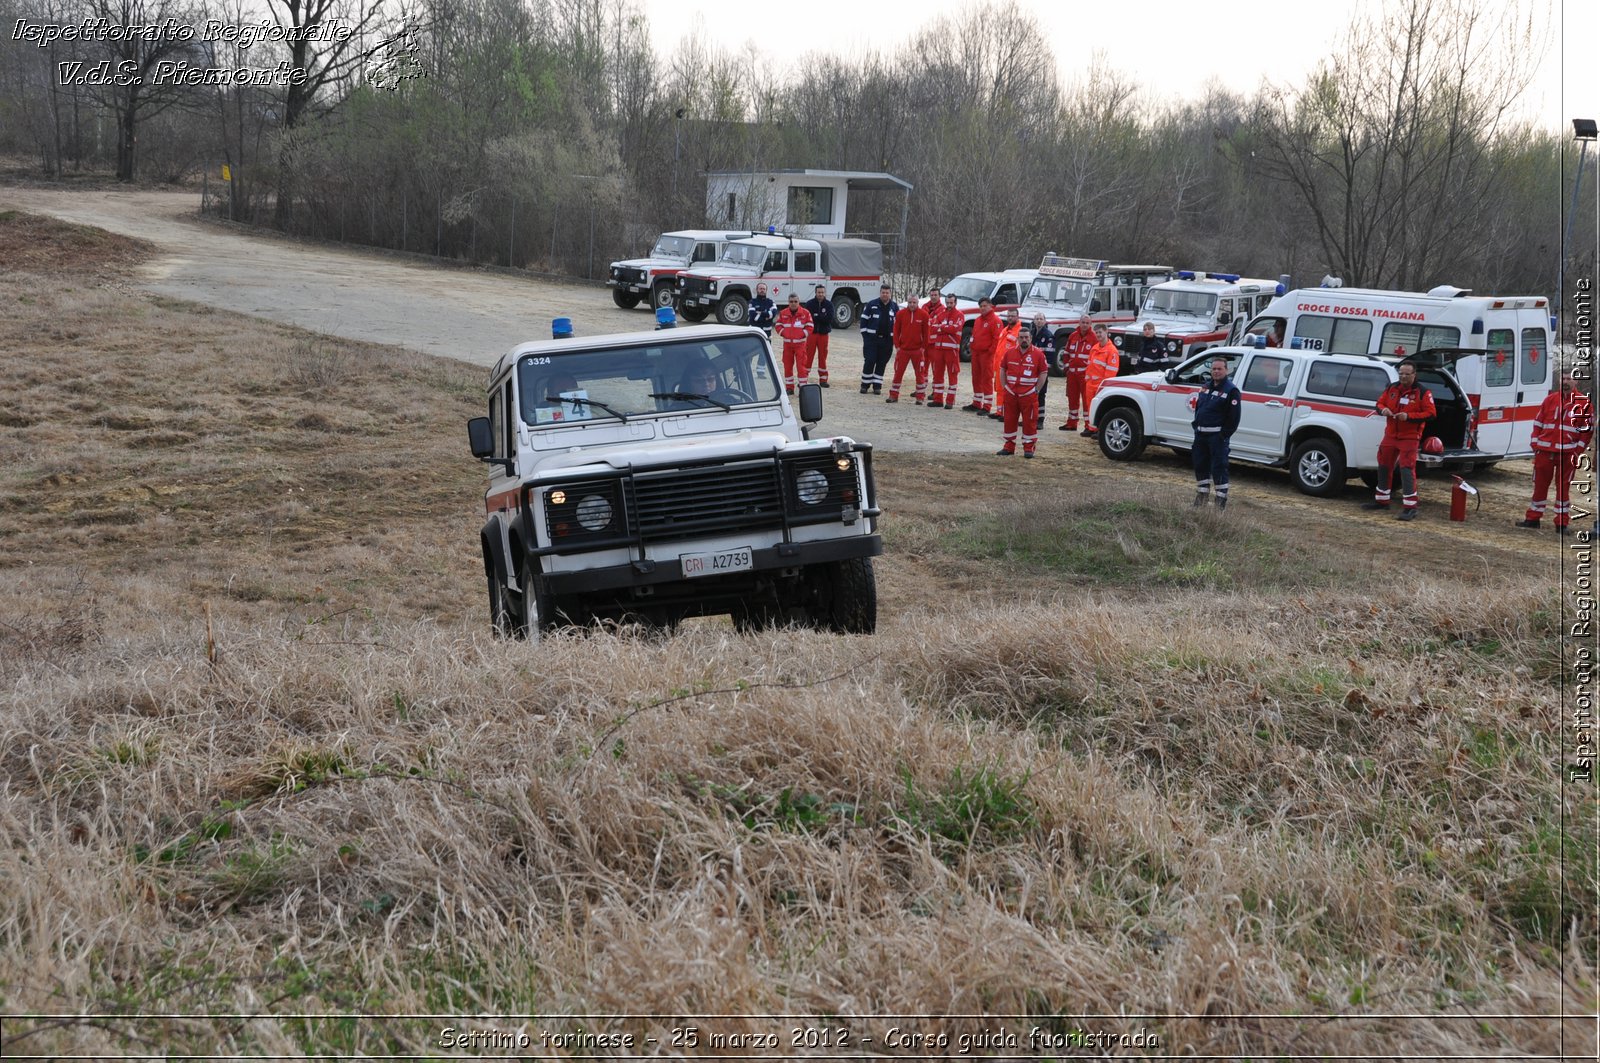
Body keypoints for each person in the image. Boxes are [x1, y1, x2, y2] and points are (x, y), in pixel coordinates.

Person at [1517, 368, 1594, 534]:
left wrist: (1577, 452)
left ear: (1576, 382)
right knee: (1539, 486)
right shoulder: (1550, 400)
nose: (1565, 382)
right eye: (1563, 379)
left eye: (1569, 379)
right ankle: (1532, 519)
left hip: (1567, 455)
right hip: (1544, 451)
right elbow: (1538, 423)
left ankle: (1561, 524)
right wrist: (1535, 444)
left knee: (1563, 489)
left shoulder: (1583, 403)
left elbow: (1587, 432)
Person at [1362, 362, 1437, 520]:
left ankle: (1410, 507)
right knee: (1383, 466)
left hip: (1409, 436)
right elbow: (1379, 403)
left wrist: (1409, 417)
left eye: (1406, 374)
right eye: (1401, 373)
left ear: (1414, 375)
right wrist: (1384, 410)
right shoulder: (1392, 388)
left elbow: (1431, 414)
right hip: (1390, 434)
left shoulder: (1422, 392)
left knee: (1406, 469)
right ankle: (1382, 501)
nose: (1403, 376)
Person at [1189, 357, 1241, 508]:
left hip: (1217, 437)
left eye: (1219, 369)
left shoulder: (1231, 391)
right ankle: (1202, 498)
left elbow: (1234, 418)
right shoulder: (1205, 387)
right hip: (1200, 435)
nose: (1216, 371)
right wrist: (1196, 426)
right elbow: (1199, 408)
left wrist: (1223, 436)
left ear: (1227, 370)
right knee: (1200, 465)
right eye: (1214, 369)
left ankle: (1220, 502)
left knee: (1219, 467)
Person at [996, 326, 1049, 458]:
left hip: (1028, 395)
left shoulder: (1038, 354)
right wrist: (1005, 386)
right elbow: (1002, 369)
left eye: (1026, 337)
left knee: (1030, 422)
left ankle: (1029, 447)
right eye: (1021, 337)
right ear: (1018, 339)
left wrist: (1036, 390)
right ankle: (1008, 446)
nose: (1024, 340)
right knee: (1009, 420)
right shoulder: (1009, 353)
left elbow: (1043, 373)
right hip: (1011, 394)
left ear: (1031, 338)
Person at [886, 295, 929, 403]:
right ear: (907, 302)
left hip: (917, 350)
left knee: (920, 374)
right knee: (898, 373)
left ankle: (920, 397)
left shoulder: (924, 315)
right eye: (910, 302)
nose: (912, 305)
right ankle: (893, 395)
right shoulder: (900, 314)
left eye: (914, 302)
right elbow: (896, 331)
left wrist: (923, 348)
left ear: (917, 302)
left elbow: (926, 333)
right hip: (903, 350)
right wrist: (897, 346)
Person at [1081, 324, 1120, 436]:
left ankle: (1100, 430)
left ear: (1106, 332)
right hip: (1091, 383)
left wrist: (1104, 386)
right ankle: (1091, 428)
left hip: (1101, 385)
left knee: (1101, 408)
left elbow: (1111, 371)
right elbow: (1089, 365)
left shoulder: (1112, 351)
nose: (1098, 334)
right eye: (1096, 332)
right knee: (1090, 407)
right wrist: (1087, 379)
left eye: (1100, 332)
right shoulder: (1094, 348)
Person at [927, 292, 965, 409]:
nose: (949, 305)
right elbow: (932, 327)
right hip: (939, 349)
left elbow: (955, 329)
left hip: (951, 350)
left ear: (955, 303)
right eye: (947, 302)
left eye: (951, 303)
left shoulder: (959, 315)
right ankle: (938, 399)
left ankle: (950, 401)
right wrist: (946, 327)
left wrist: (941, 327)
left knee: (952, 375)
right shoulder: (941, 313)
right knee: (938, 374)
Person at [858, 283, 897, 394]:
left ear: (890, 294)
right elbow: (863, 321)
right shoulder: (871, 304)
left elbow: (898, 324)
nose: (885, 295)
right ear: (880, 293)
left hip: (887, 341)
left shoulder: (894, 307)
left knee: (881, 363)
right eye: (883, 292)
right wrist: (866, 337)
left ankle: (877, 386)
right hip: (872, 340)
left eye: (887, 293)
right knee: (869, 361)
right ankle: (865, 385)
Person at [964, 297, 1001, 414]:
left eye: (985, 306)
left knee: (986, 379)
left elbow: (997, 339)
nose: (982, 308)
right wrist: (972, 347)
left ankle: (987, 406)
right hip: (976, 353)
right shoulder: (978, 320)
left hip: (987, 355)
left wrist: (990, 352)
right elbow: (974, 335)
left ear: (991, 306)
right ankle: (977, 402)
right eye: (981, 306)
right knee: (976, 378)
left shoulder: (995, 320)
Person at [1058, 319, 1095, 430]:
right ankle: (1072, 423)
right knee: (1072, 398)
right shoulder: (1073, 336)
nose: (1084, 325)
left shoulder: (1093, 338)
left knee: (1086, 400)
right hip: (1072, 373)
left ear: (1090, 324)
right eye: (1083, 322)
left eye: (1087, 323)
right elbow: (1066, 353)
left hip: (1085, 375)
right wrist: (1066, 367)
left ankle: (1088, 426)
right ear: (1079, 323)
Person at [774, 293, 814, 395]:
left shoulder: (805, 313)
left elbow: (810, 326)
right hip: (787, 346)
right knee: (787, 367)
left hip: (800, 345)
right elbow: (778, 325)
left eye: (795, 301)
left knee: (801, 368)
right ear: (788, 302)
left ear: (798, 302)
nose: (793, 304)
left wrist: (802, 334)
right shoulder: (783, 313)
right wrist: (784, 333)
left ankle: (803, 388)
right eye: (791, 302)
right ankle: (789, 388)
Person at [990, 308, 1024, 420]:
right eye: (1009, 316)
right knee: (999, 389)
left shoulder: (1020, 332)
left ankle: (1008, 413)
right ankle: (999, 411)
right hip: (1000, 366)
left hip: (1010, 367)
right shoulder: (1005, 330)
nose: (1010, 318)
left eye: (1013, 316)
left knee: (1009, 391)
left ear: (1017, 317)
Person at [801, 284, 833, 387]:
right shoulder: (810, 304)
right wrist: (821, 317)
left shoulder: (829, 304)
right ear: (815, 293)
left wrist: (816, 316)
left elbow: (829, 319)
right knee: (808, 356)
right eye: (819, 292)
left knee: (823, 357)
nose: (820, 294)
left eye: (822, 292)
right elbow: (807, 318)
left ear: (825, 293)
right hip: (812, 334)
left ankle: (823, 380)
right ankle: (803, 379)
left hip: (824, 334)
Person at [1027, 312, 1054, 421]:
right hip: (1031, 369)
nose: (1038, 321)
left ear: (1044, 321)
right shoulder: (1031, 334)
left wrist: (1045, 371)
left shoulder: (1048, 336)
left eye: (1041, 319)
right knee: (1029, 394)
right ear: (1033, 321)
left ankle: (1040, 420)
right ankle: (1029, 418)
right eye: (1037, 319)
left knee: (1040, 394)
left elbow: (1050, 355)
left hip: (1041, 371)